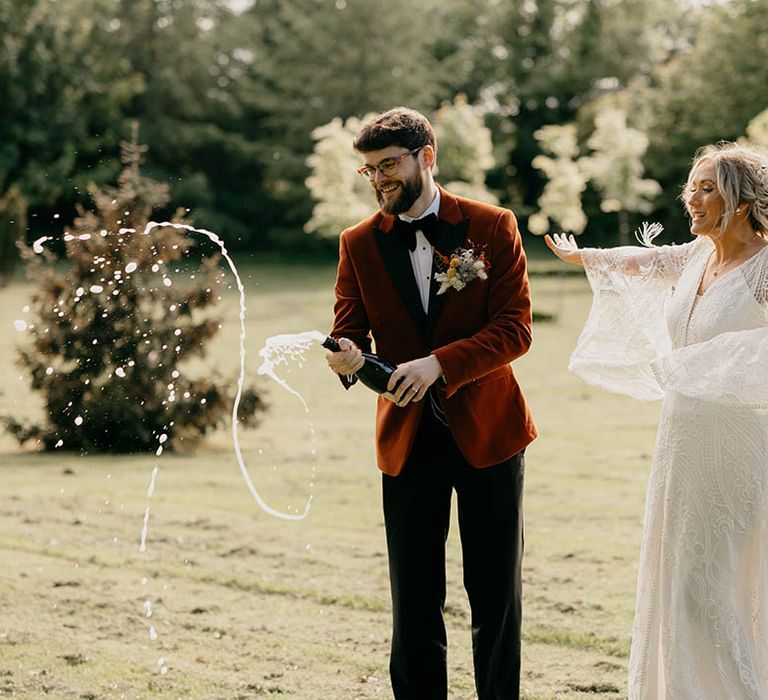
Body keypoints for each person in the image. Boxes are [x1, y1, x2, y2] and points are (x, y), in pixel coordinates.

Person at [325, 107, 537, 699]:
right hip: (407, 442)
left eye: (388, 165)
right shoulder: (358, 244)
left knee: (496, 595)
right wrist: (349, 360)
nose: (378, 180)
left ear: (427, 156)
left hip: (490, 436)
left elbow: (515, 330)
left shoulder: (493, 226)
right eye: (369, 170)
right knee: (413, 599)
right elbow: (352, 334)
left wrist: (439, 363)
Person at [545, 142, 768, 699]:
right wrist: (586, 257)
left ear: (741, 200)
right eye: (690, 186)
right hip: (682, 440)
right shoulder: (694, 256)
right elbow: (639, 260)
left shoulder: (766, 266)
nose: (691, 198)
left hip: (741, 444)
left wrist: (715, 364)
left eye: (706, 187)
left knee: (712, 586)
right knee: (680, 576)